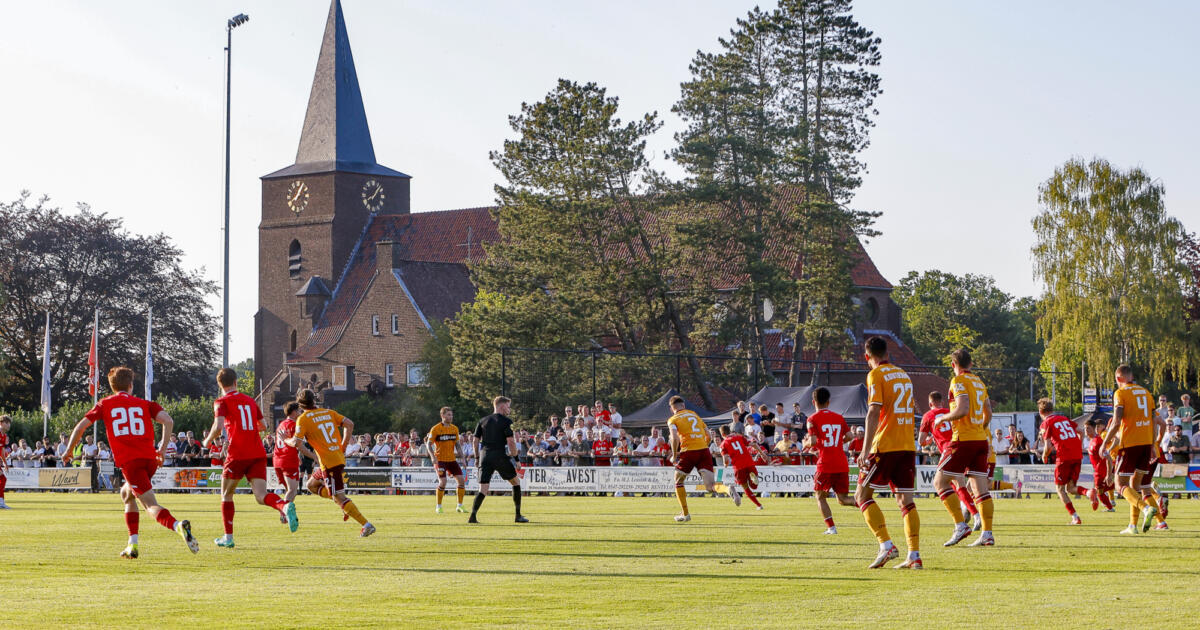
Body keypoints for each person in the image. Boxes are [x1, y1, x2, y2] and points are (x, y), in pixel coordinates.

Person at [62, 366, 198, 558]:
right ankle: (132, 545)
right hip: (149, 459)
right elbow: (168, 421)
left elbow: (81, 427)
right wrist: (162, 449)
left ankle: (178, 526)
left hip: (130, 462)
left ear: (112, 386)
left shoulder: (105, 403)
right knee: (126, 494)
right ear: (131, 385)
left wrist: (68, 450)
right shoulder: (144, 403)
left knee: (150, 505)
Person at [202, 368, 296, 548]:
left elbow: (218, 426)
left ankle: (228, 538)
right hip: (257, 453)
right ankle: (283, 506)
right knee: (261, 496)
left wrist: (207, 440)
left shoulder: (221, 401)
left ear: (219, 384)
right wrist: (247, 427)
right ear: (236, 382)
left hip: (237, 454)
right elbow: (264, 425)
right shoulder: (250, 401)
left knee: (226, 495)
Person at [856, 337, 921, 569]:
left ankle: (886, 545)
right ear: (887, 352)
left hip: (885, 445)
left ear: (867, 357)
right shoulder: (903, 374)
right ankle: (914, 555)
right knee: (906, 501)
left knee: (862, 496)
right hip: (906, 445)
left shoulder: (875, 375)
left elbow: (873, 411)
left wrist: (865, 450)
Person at [930, 348, 996, 548]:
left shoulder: (958, 381)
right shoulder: (979, 382)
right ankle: (987, 533)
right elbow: (989, 413)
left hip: (963, 440)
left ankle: (960, 525)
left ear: (953, 365)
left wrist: (943, 418)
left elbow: (962, 409)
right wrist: (981, 428)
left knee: (939, 483)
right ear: (971, 364)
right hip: (980, 440)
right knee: (980, 490)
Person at [287, 388, 375, 537]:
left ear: (300, 405)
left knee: (338, 497)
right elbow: (350, 424)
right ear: (314, 400)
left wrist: (285, 440)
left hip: (330, 463)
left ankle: (366, 524)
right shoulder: (328, 413)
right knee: (311, 485)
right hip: (334, 459)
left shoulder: (304, 418)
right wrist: (343, 446)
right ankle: (344, 504)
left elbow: (296, 442)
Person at [1100, 365, 1158, 535]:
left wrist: (1105, 443)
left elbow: (1117, 421)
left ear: (1118, 378)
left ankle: (1145, 508)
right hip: (1146, 443)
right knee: (1135, 485)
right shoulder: (1147, 393)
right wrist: (1153, 444)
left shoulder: (1121, 393)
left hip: (1129, 444)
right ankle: (1132, 526)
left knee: (1121, 485)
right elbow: (1154, 421)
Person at [917, 391, 981, 532]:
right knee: (955, 483)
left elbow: (921, 441)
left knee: (941, 483)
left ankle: (970, 517)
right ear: (942, 402)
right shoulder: (950, 411)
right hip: (961, 446)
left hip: (948, 450)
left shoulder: (928, 416)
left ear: (930, 403)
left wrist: (928, 440)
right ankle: (969, 512)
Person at [668, 396, 738, 521]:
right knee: (711, 486)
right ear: (683, 405)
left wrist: (674, 455)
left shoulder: (673, 419)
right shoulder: (695, 415)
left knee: (678, 481)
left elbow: (674, 438)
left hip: (688, 451)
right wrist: (702, 446)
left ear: (672, 408)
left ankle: (685, 514)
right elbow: (708, 436)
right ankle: (727, 489)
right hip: (703, 450)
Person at [804, 387, 855, 534]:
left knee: (820, 496)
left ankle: (831, 528)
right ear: (828, 402)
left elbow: (813, 441)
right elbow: (850, 436)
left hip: (825, 464)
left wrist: (806, 442)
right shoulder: (839, 417)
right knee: (843, 499)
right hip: (841, 462)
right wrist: (839, 441)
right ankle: (864, 504)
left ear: (814, 402)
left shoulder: (812, 419)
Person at [469, 396, 527, 524]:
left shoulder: (482, 420)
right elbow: (511, 442)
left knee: (483, 489)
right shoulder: (506, 421)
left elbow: (475, 440)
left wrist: (477, 457)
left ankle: (472, 516)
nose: (509, 409)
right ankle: (518, 516)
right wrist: (516, 459)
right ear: (501, 406)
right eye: (508, 406)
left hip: (485, 456)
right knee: (516, 483)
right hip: (499, 455)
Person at [1037, 399, 1086, 525]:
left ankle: (1075, 517)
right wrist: (1079, 447)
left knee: (1060, 489)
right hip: (1077, 455)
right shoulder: (1063, 418)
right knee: (1071, 487)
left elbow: (1047, 446)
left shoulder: (1046, 423)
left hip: (1064, 457)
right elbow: (1081, 431)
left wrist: (1044, 456)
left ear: (1041, 412)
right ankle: (1090, 492)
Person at [273, 402, 318, 517]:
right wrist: (314, 457)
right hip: (288, 460)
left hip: (277, 460)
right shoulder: (294, 425)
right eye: (299, 411)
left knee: (290, 490)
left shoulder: (281, 424)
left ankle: (287, 513)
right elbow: (300, 446)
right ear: (293, 412)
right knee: (292, 490)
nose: (300, 413)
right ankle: (283, 514)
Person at [426, 407, 467, 514]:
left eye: (451, 415)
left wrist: (462, 458)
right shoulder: (435, 429)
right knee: (443, 482)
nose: (451, 417)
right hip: (440, 460)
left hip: (451, 460)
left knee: (461, 481)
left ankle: (460, 506)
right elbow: (428, 444)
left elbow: (457, 445)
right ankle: (438, 506)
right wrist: (432, 456)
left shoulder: (455, 429)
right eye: (448, 415)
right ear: (442, 416)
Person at [718, 425, 763, 510]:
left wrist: (725, 464)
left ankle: (759, 505)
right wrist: (762, 454)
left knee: (746, 488)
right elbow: (753, 444)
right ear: (730, 431)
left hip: (739, 467)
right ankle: (754, 480)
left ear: (722, 434)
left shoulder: (723, 444)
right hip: (749, 463)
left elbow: (726, 459)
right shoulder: (739, 437)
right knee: (754, 486)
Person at [1084, 420, 1115, 511]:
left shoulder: (1098, 441)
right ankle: (1110, 507)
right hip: (1099, 470)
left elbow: (1108, 458)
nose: (1086, 430)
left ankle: (1109, 507)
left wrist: (1108, 474)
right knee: (1106, 489)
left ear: (1094, 429)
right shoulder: (1092, 441)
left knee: (1099, 491)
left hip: (1101, 471)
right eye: (1085, 428)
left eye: (1088, 428)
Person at [0, 415, 11, 509]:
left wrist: (5, 463)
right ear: (1, 423)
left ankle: (1, 502)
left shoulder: (4, 435)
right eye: (7, 423)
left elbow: (2, 451)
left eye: (9, 423)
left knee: (2, 479)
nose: (8, 425)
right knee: (2, 478)